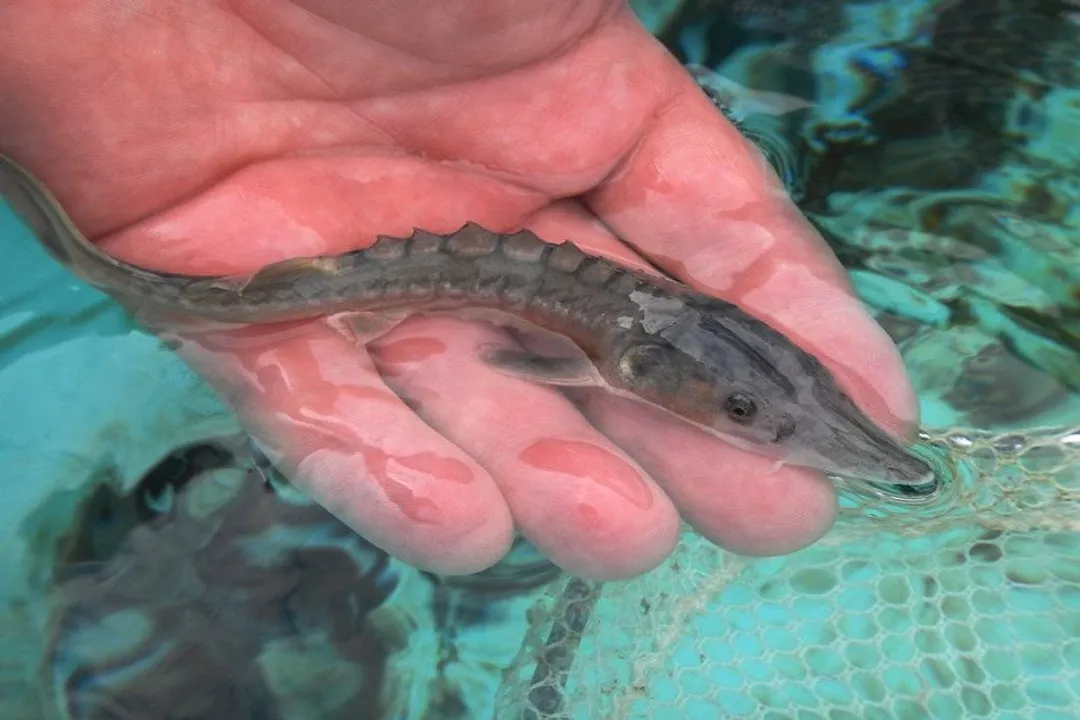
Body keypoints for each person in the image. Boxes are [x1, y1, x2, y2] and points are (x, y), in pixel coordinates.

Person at [0, 0, 919, 580]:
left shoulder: (644, 349)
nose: (780, 427)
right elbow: (526, 357)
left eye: (784, 402)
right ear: (629, 367)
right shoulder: (619, 355)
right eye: (752, 411)